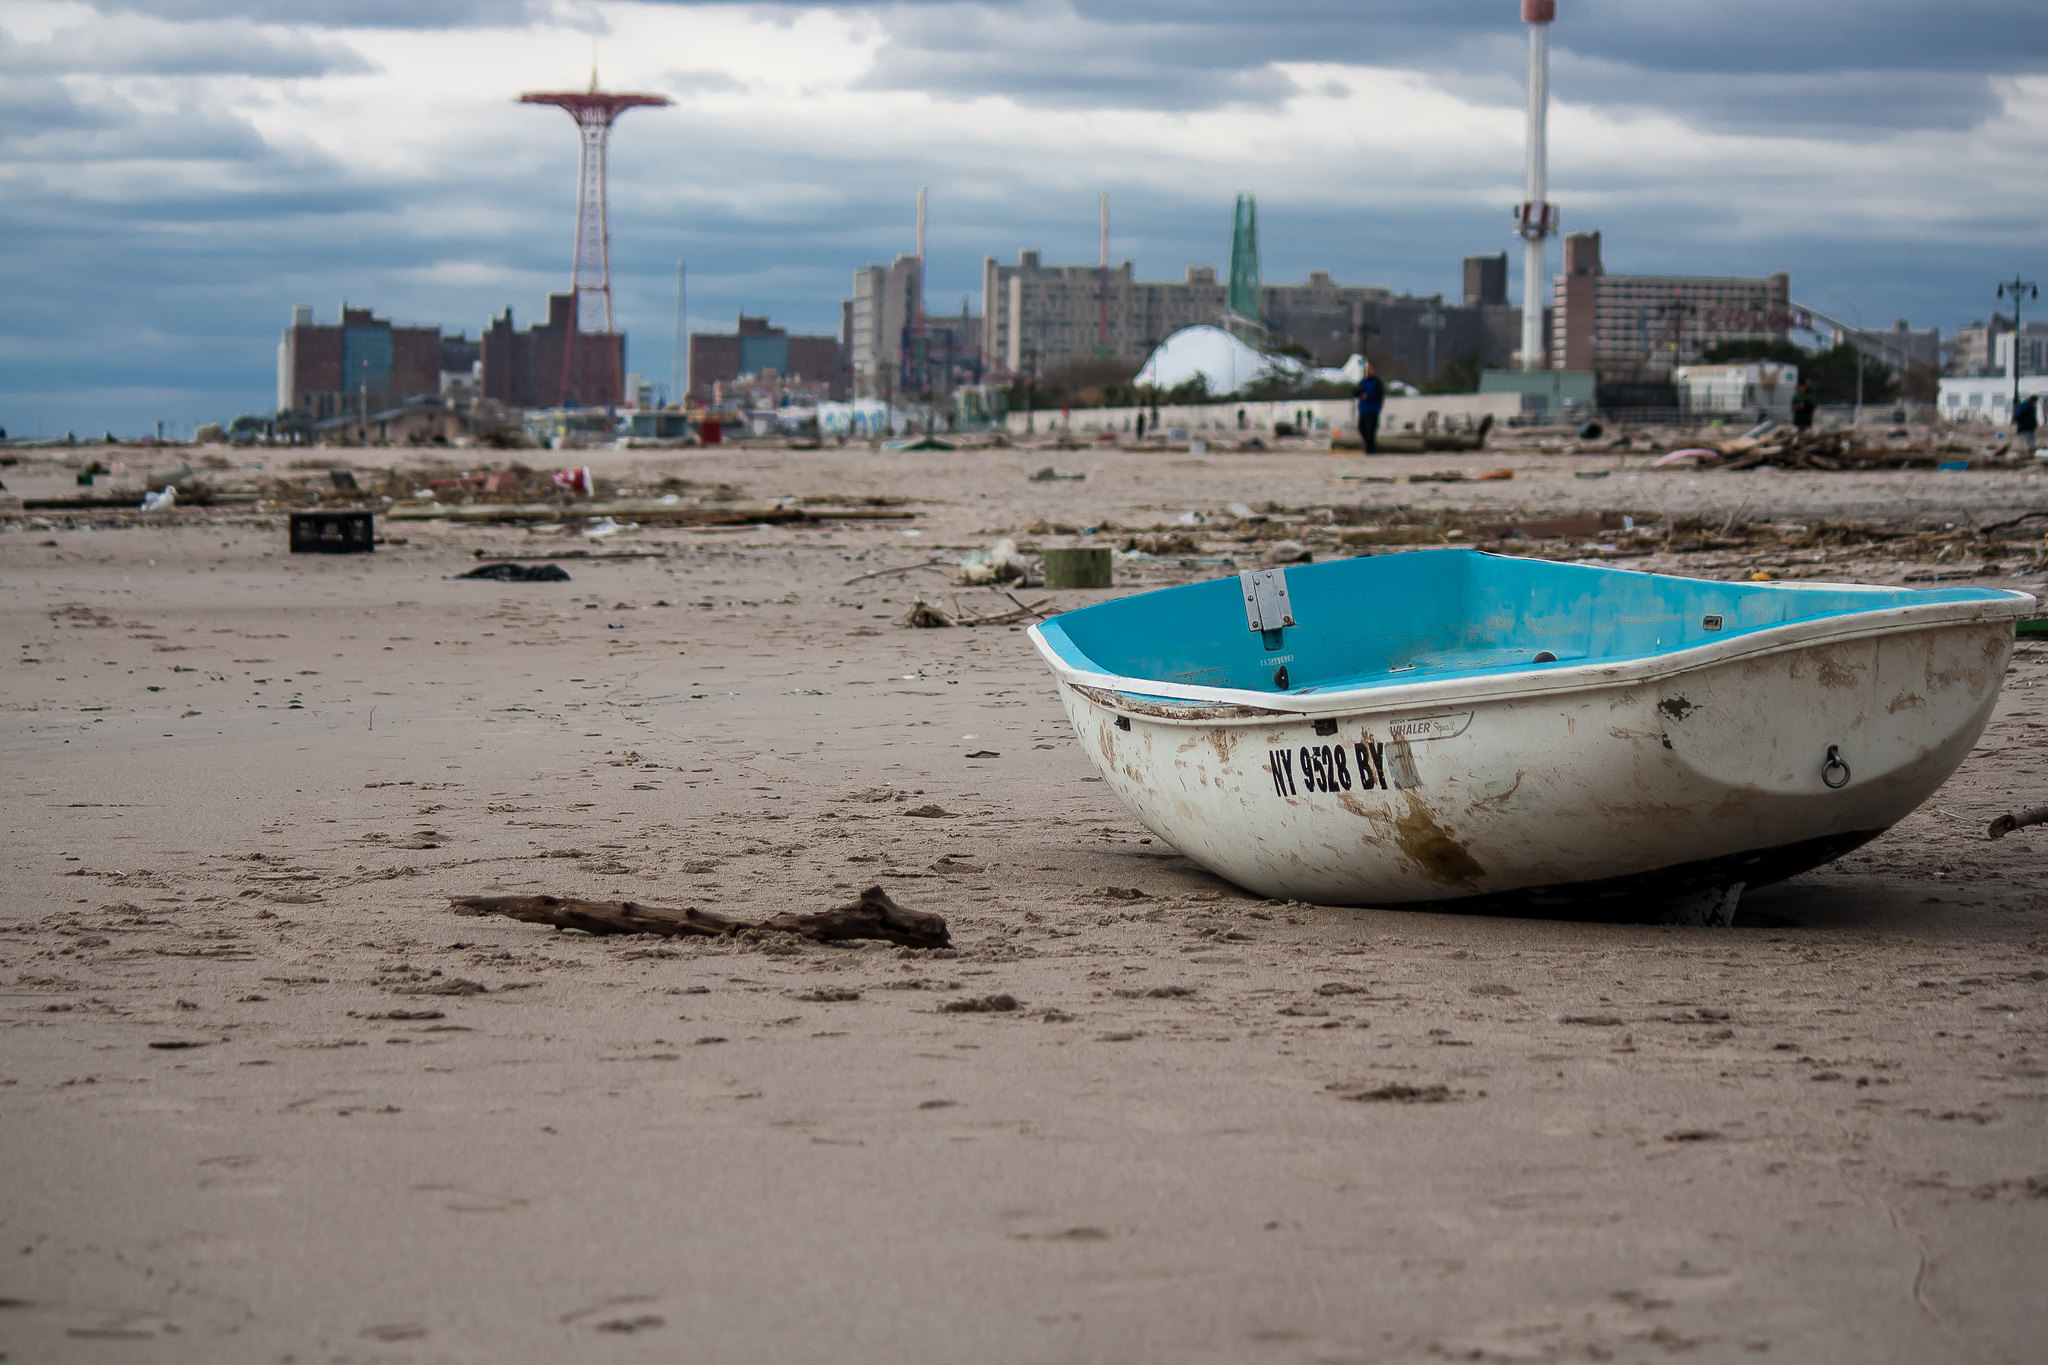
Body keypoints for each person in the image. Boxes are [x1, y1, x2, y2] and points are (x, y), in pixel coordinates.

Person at [1354, 363, 1387, 454]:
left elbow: (1379, 396)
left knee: (1371, 431)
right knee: (1361, 428)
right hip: (1363, 409)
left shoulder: (1377, 382)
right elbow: (1356, 392)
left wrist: (1368, 397)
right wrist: (1358, 391)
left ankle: (1371, 448)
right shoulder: (1363, 382)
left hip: (1373, 409)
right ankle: (1369, 446)